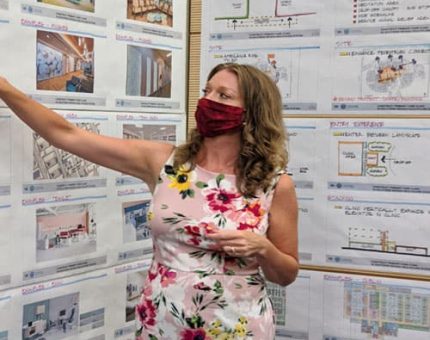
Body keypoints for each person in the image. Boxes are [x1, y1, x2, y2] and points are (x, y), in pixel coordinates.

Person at [0, 62, 299, 339]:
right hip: (162, 320)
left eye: (224, 95)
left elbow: (285, 274)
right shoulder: (165, 162)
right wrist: (4, 88)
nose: (208, 101)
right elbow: (65, 135)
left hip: (236, 326)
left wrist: (263, 248)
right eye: (206, 91)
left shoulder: (274, 184)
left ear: (251, 112)